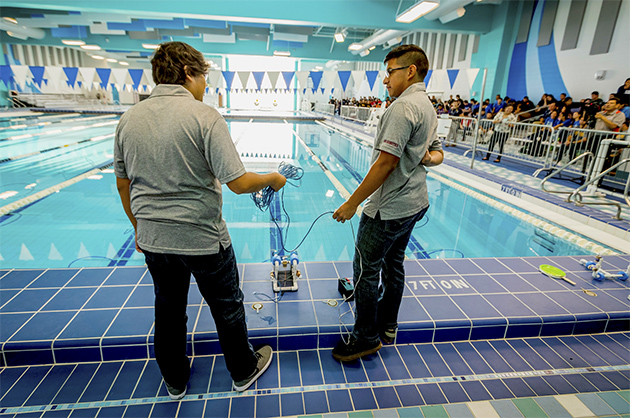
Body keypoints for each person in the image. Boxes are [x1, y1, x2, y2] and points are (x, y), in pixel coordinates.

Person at [114, 42, 286, 398]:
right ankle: (242, 370)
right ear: (188, 73)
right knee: (227, 307)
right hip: (203, 238)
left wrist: (139, 228)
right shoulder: (204, 116)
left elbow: (123, 183)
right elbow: (238, 182)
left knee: (169, 308)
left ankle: (175, 381)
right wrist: (271, 177)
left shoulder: (129, 119)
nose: (205, 86)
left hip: (154, 239)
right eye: (204, 77)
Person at [330, 44, 443, 362]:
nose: (385, 80)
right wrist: (423, 157)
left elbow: (385, 163)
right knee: (394, 264)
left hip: (388, 207)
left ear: (410, 71)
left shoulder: (402, 108)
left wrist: (353, 203)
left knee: (365, 271)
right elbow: (436, 154)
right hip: (414, 202)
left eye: (390, 72)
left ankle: (366, 337)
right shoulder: (427, 106)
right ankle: (388, 326)